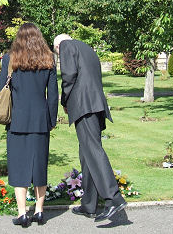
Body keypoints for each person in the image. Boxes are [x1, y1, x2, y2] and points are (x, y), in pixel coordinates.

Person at [53, 34, 127, 222]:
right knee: (86, 155)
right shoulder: (88, 50)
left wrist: (64, 101)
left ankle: (114, 198)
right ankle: (89, 205)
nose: (58, 53)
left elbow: (68, 76)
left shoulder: (66, 46)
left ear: (58, 44)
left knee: (92, 150)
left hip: (83, 105)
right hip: (95, 104)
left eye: (56, 50)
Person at [0, 23, 58, 227]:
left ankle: (23, 214)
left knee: (19, 166)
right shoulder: (48, 60)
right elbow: (53, 96)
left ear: (19, 39)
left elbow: (0, 91)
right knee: (40, 166)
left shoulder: (9, 59)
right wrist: (50, 120)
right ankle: (39, 212)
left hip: (17, 121)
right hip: (41, 121)